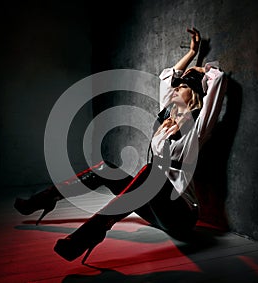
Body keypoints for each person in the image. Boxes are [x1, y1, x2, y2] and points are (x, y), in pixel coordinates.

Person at [14, 27, 227, 263]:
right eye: (177, 87)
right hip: (154, 207)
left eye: (183, 87)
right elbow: (168, 77)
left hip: (180, 215)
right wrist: (192, 52)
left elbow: (218, 80)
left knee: (149, 172)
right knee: (106, 168)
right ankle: (44, 200)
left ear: (195, 94)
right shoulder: (167, 115)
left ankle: (88, 235)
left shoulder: (198, 128)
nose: (175, 88)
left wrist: (201, 69)